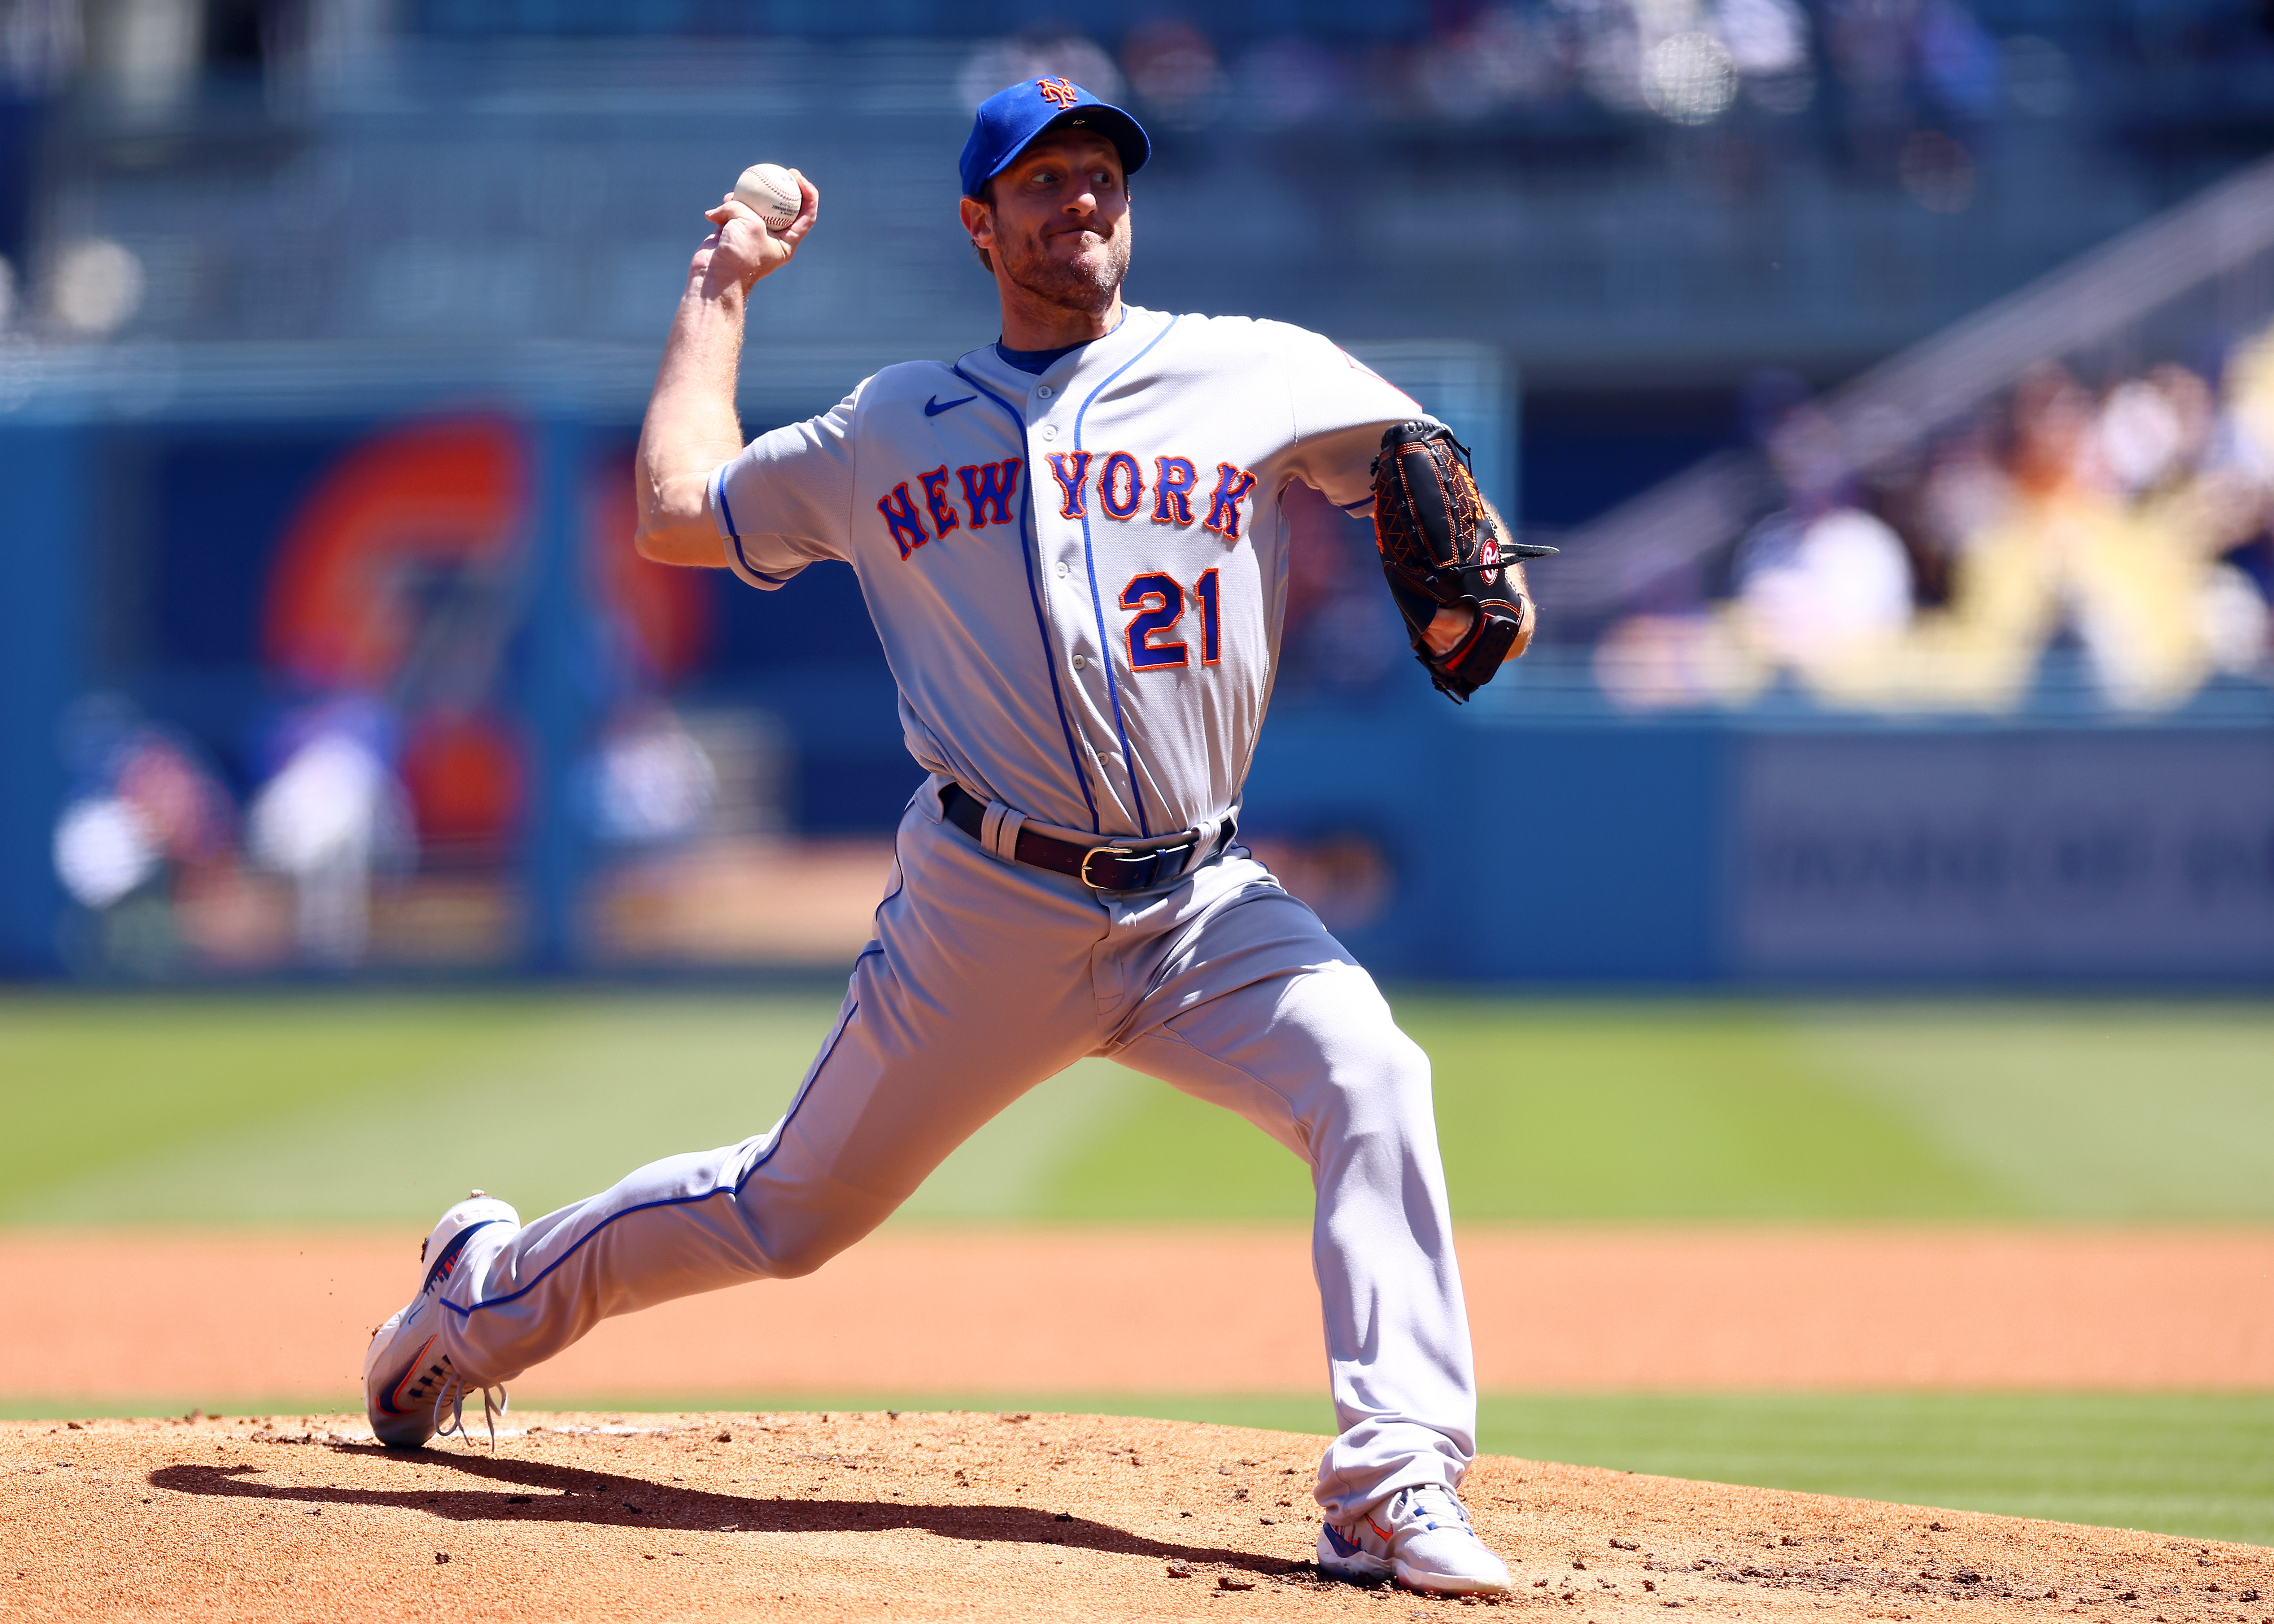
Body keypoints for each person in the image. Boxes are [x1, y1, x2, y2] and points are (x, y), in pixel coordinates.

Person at [363, 76, 1533, 1599]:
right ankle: (481, 1293)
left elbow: (1419, 469)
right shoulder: (892, 425)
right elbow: (669, 511)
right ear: (980, 225)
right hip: (989, 903)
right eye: (1042, 181)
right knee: (784, 1216)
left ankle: (1387, 1487)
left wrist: (1465, 551)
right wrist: (718, 288)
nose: (1083, 199)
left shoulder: (1254, 372)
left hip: (1202, 901)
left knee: (1371, 1075)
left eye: (1103, 169)